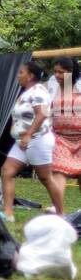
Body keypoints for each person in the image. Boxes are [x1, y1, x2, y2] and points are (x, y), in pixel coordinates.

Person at [0, 60, 63, 222]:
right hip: (22, 142)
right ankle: (8, 214)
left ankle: (61, 214)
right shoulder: (27, 91)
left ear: (31, 76)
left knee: (45, 178)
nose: (18, 76)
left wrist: (28, 134)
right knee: (7, 171)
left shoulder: (38, 91)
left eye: (21, 72)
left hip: (37, 139)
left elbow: (42, 114)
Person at [49, 56, 81, 210]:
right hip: (60, 138)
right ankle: (57, 209)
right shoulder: (52, 85)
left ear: (70, 72)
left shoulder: (79, 86)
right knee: (59, 171)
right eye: (55, 72)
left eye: (61, 73)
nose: (57, 75)